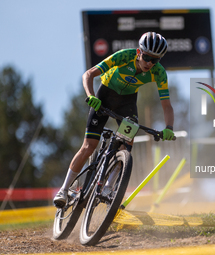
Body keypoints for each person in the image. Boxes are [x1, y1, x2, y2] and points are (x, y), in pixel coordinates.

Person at [53, 32, 175, 208]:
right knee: (89, 146)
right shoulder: (124, 56)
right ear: (140, 52)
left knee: (127, 144)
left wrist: (169, 127)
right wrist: (91, 96)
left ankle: (109, 187)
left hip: (127, 102)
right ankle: (64, 190)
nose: (149, 63)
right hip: (105, 95)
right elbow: (88, 74)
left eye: (155, 60)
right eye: (147, 57)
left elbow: (167, 106)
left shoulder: (159, 73)